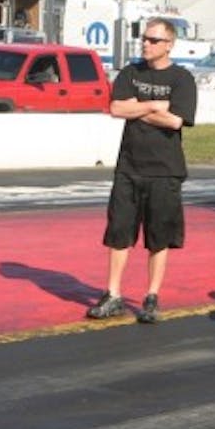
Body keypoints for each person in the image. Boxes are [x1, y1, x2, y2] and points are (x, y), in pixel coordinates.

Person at [87, 17, 198, 323]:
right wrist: (153, 106)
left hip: (165, 170)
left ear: (169, 44)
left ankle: (151, 296)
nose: (145, 44)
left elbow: (176, 120)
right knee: (119, 232)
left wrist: (138, 107)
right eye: (144, 39)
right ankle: (113, 294)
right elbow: (116, 108)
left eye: (153, 40)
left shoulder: (182, 79)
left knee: (158, 236)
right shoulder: (130, 72)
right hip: (129, 167)